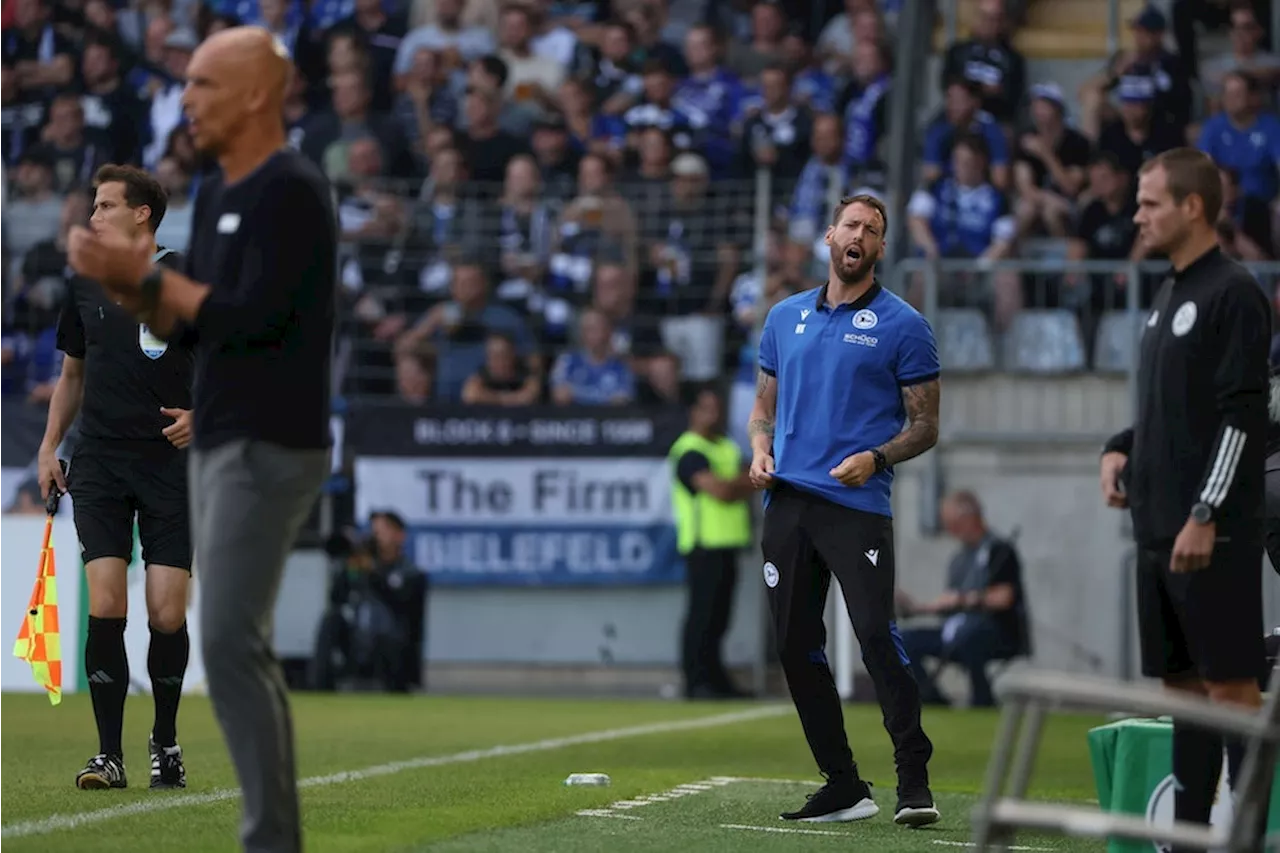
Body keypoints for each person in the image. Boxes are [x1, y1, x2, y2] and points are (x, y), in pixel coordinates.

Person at [67, 26, 336, 853]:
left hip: (269, 437)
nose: (187, 99)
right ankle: (262, 826)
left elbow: (252, 316)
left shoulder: (289, 189)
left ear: (257, 93)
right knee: (232, 639)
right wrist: (135, 288)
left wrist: (141, 281)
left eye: (206, 84)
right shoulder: (220, 193)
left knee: (222, 635)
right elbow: (192, 322)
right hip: (220, 440)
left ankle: (268, 835)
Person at [747, 193, 942, 827]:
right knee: (794, 644)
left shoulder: (904, 324)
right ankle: (843, 784)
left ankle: (913, 779)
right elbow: (762, 409)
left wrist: (878, 458)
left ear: (881, 249)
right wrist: (758, 449)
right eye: (852, 224)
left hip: (855, 505)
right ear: (830, 236)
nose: (860, 235)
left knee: (875, 636)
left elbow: (926, 426)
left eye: (873, 230)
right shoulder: (783, 317)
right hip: (788, 504)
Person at [1099, 147, 1271, 847]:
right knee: (1183, 693)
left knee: (1232, 691)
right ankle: (1194, 835)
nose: (1137, 215)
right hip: (1156, 531)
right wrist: (1122, 445)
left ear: (1191, 206)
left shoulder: (1233, 291)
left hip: (1211, 535)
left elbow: (1242, 414)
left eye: (1149, 203)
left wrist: (1206, 512)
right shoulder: (1168, 294)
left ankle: (1254, 835)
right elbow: (1173, 411)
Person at [38, 164, 193, 791]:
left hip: (168, 464)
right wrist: (50, 447)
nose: (94, 216)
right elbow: (71, 377)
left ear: (141, 215)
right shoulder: (86, 284)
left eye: (105, 206)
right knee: (106, 602)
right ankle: (109, 754)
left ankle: (165, 740)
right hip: (97, 462)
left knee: (166, 613)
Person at [896, 490, 1029, 708]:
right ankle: (931, 698)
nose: (950, 530)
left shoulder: (999, 550)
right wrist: (919, 608)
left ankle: (983, 700)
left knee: (970, 637)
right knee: (905, 639)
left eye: (953, 523)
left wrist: (964, 600)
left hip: (996, 632)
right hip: (956, 630)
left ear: (970, 518)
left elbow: (1004, 598)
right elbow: (949, 603)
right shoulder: (959, 558)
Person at [667, 386, 755, 699]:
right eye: (706, 408)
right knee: (702, 616)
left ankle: (716, 681)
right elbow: (721, 490)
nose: (713, 414)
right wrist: (748, 481)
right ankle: (696, 680)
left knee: (719, 618)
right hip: (703, 543)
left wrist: (742, 481)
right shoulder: (689, 451)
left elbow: (743, 479)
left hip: (727, 542)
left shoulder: (725, 446)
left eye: (716, 407)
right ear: (693, 411)